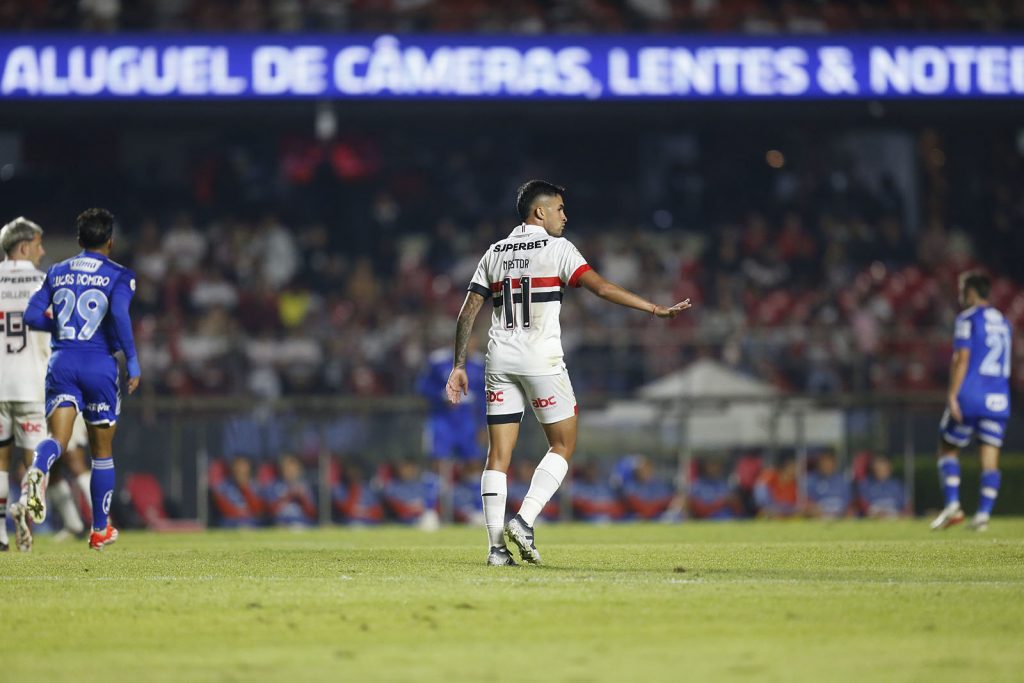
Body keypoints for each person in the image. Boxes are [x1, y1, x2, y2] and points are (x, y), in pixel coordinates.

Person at [446, 180, 691, 566]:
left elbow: (468, 312)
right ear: (539, 212)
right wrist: (654, 309)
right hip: (541, 359)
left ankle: (495, 551)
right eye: (559, 208)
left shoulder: (494, 252)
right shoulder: (557, 248)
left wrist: (459, 364)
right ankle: (524, 521)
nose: (565, 215)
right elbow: (603, 288)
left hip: (500, 360)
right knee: (562, 444)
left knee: (498, 455)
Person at [19, 208, 141, 550]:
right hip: (98, 365)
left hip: (62, 363)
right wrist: (132, 361)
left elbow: (31, 315)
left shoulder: (57, 271)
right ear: (110, 241)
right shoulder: (120, 275)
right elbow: (118, 314)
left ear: (78, 239)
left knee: (57, 438)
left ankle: (38, 467)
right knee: (101, 452)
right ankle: (99, 529)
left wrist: (59, 326)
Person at [930, 272, 1011, 532]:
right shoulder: (1005, 321)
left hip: (971, 395)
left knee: (947, 447)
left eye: (962, 290)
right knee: (989, 460)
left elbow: (961, 358)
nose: (960, 295)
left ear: (972, 292)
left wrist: (953, 394)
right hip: (998, 397)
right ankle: (983, 517)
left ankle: (953, 506)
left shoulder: (968, 318)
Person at [0, 217, 49, 551]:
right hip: (32, 383)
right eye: (38, 244)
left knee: (0, 462)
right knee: (35, 461)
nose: (42, 251)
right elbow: (52, 336)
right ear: (23, 246)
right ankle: (26, 521)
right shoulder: (43, 283)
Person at [804, 450, 852, 519]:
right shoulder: (811, 481)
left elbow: (849, 504)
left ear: (834, 464)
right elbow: (807, 504)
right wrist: (812, 509)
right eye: (824, 463)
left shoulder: (843, 481)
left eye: (829, 463)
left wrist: (848, 511)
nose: (826, 466)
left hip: (840, 519)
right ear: (819, 465)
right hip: (819, 520)